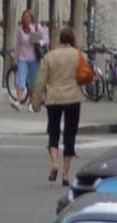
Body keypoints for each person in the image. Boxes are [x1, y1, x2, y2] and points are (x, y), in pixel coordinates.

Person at [31, 27, 83, 186]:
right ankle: (66, 174)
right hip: (73, 98)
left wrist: (36, 101)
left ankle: (54, 163)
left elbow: (40, 81)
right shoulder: (77, 54)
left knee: (53, 131)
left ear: (59, 39)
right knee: (70, 134)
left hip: (53, 98)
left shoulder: (49, 56)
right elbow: (85, 74)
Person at [11, 10, 48, 111]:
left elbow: (46, 39)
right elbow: (18, 45)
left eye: (28, 17)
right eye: (25, 17)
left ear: (32, 18)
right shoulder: (20, 30)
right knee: (21, 79)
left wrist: (39, 42)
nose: (26, 19)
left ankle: (31, 103)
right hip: (23, 59)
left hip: (34, 59)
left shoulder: (37, 27)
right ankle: (18, 101)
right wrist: (15, 59)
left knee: (33, 83)